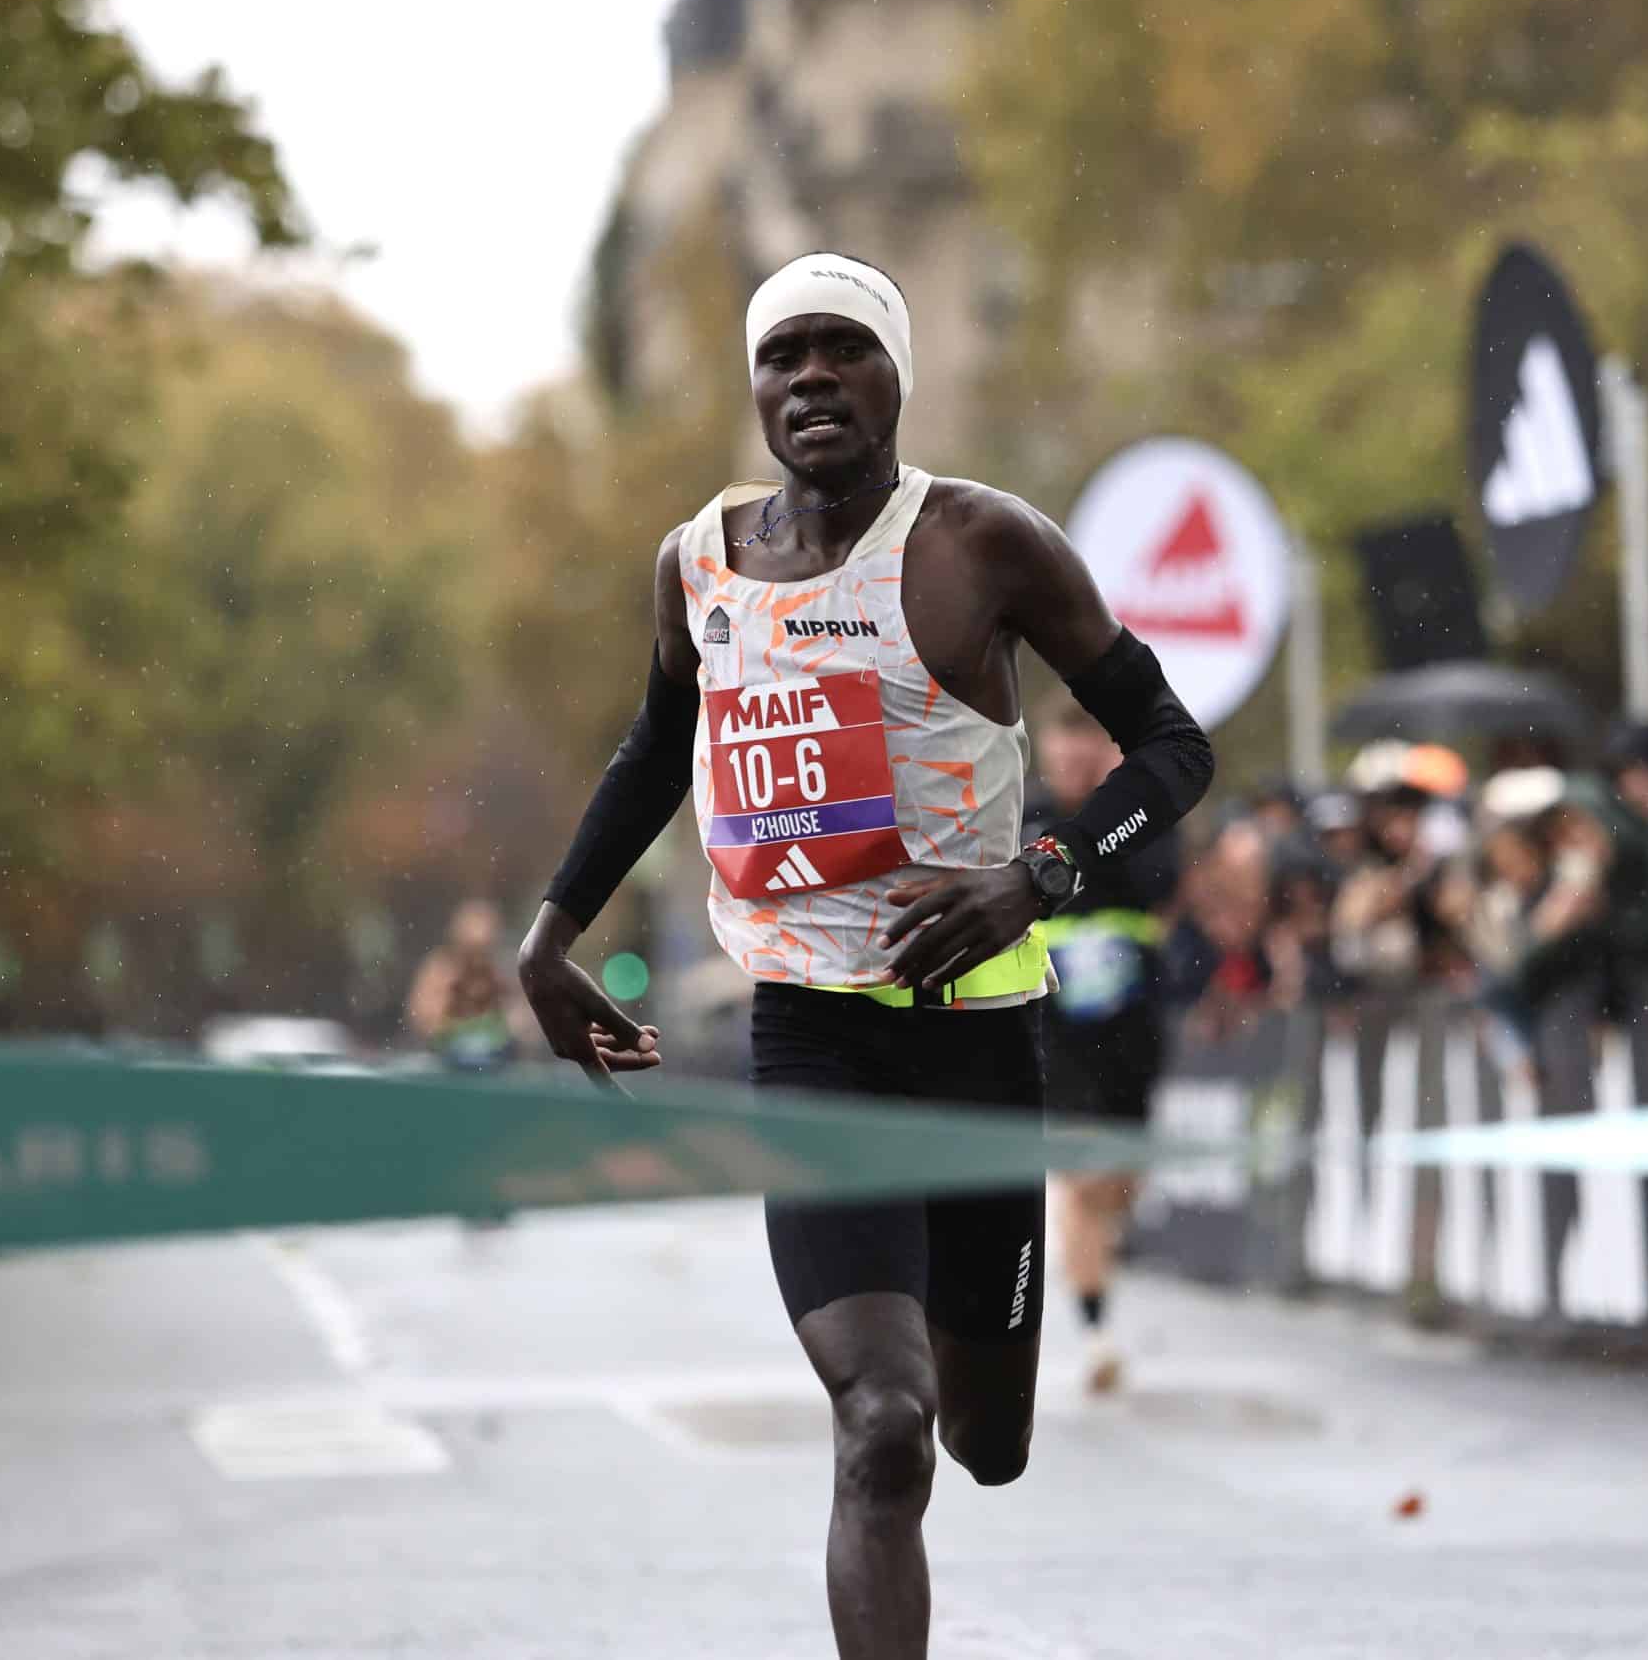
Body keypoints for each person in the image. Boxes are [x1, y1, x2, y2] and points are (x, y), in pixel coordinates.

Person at [515, 253, 1214, 1660]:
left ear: (899, 375)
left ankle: (981, 1368)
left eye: (845, 349)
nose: (813, 377)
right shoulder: (699, 562)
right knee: (883, 1426)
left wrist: (1039, 876)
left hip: (977, 1043)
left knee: (986, 1441)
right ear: (755, 387)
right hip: (811, 1038)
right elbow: (656, 747)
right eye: (784, 356)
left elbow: (1173, 749)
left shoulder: (981, 543)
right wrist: (551, 932)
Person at [1024, 703, 1183, 1396]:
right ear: (1047, 749)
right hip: (1056, 1032)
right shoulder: (1021, 817)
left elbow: (1163, 887)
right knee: (1084, 1177)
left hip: (1132, 1033)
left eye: (1088, 743)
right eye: (1064, 744)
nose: (1074, 758)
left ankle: (1094, 1252)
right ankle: (1096, 1333)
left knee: (1119, 1185)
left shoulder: (1141, 814)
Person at [407, 900, 520, 1069]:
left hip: (498, 1066)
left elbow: (525, 1025)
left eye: (483, 953)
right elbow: (421, 1018)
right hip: (444, 1064)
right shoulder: (439, 971)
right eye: (470, 953)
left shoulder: (506, 973)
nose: (476, 964)